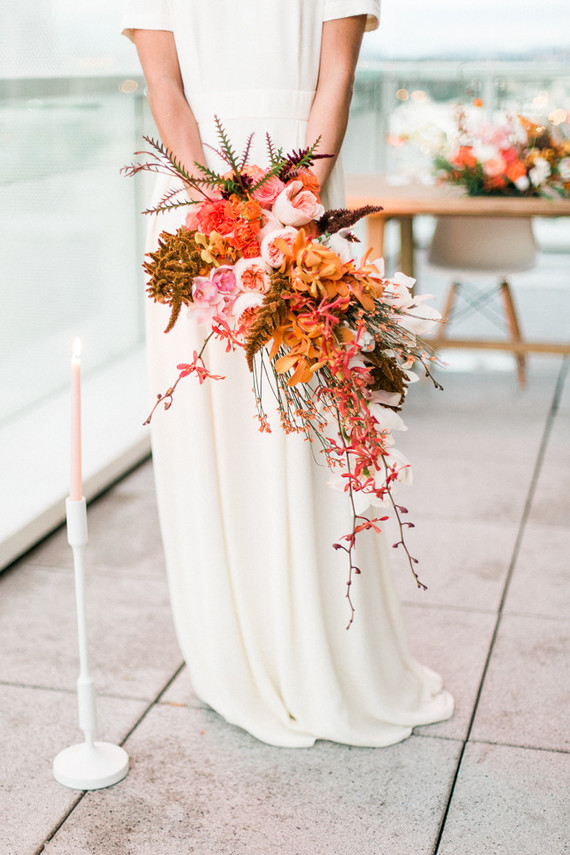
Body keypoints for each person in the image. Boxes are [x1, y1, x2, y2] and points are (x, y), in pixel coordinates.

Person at [121, 0, 454, 747]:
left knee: (308, 432)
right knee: (217, 437)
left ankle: (318, 647)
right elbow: (165, 87)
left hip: (304, 195)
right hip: (191, 199)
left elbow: (335, 76)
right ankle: (235, 653)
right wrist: (222, 210)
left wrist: (290, 204)